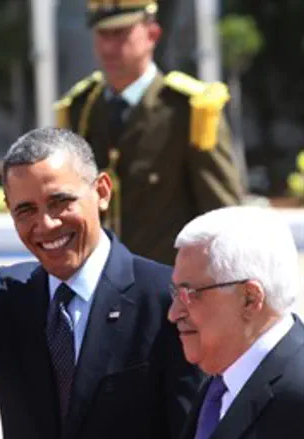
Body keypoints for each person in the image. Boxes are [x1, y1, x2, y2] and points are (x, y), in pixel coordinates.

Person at [0, 127, 204, 438]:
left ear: (101, 191)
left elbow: (194, 425)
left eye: (60, 202)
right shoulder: (9, 297)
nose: (46, 224)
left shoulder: (165, 299)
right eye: (26, 210)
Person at [54, 0, 242, 265]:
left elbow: (222, 213)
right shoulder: (80, 109)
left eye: (121, 34)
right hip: (101, 279)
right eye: (102, 34)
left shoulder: (188, 109)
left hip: (168, 280)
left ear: (152, 34)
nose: (109, 47)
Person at [168, 206, 304, 439]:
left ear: (249, 299)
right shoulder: (221, 380)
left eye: (189, 293)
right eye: (175, 292)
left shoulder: (297, 395)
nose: (173, 313)